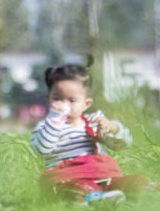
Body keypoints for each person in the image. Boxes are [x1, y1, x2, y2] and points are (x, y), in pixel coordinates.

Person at [31, 62, 152, 201]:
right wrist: (54, 120)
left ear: (86, 104)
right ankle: (96, 199)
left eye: (72, 100)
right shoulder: (45, 127)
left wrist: (113, 128)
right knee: (75, 190)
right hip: (68, 178)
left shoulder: (94, 122)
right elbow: (42, 149)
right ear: (49, 99)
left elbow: (122, 145)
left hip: (104, 178)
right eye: (57, 99)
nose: (64, 105)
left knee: (135, 182)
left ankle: (156, 190)